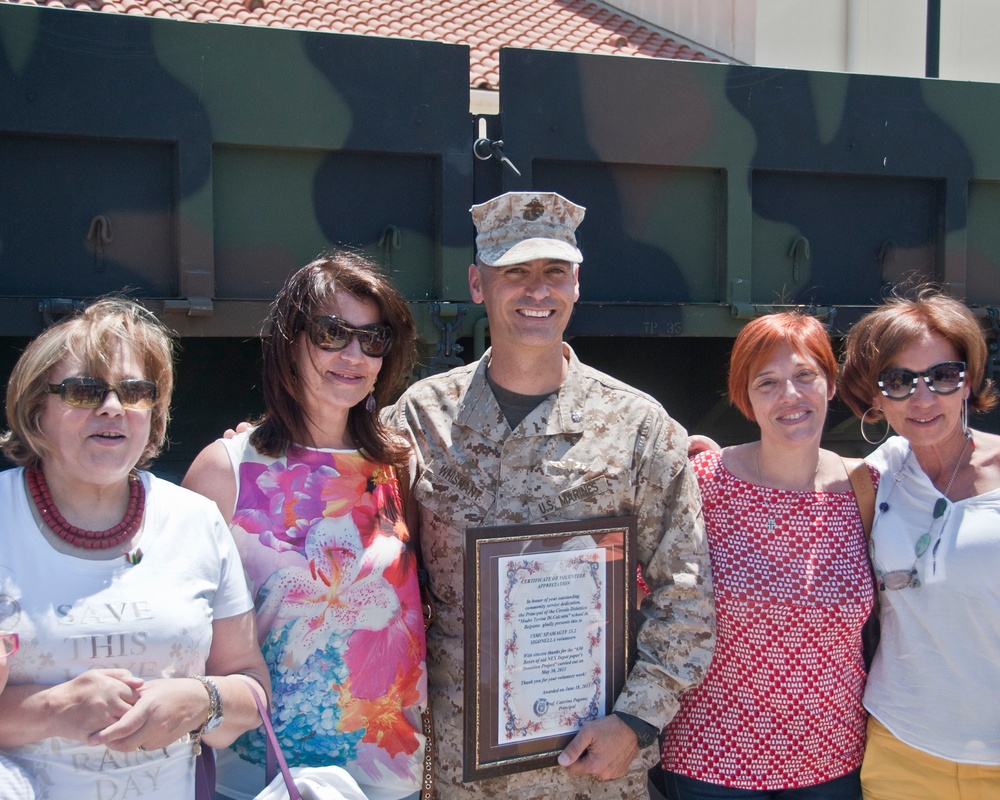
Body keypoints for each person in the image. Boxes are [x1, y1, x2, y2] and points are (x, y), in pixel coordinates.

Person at [385, 191, 716, 799]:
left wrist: (638, 720)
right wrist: (260, 447)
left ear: (577, 284)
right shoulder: (421, 417)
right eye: (515, 272)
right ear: (478, 285)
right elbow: (345, 501)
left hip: (591, 765)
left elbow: (686, 589)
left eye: (554, 272)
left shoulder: (638, 426)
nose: (537, 291)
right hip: (463, 766)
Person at [0, 297, 269, 800]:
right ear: (37, 412)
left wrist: (200, 700)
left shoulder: (195, 520)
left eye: (135, 391)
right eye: (83, 391)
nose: (112, 406)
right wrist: (54, 709)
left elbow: (251, 689)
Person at [182, 252, 428, 800]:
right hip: (256, 779)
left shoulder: (396, 466)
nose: (353, 354)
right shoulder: (227, 469)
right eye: (332, 333)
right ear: (290, 343)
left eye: (373, 339)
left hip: (386, 778)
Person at [656, 312, 874, 800]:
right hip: (711, 761)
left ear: (830, 384)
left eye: (804, 376)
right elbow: (648, 588)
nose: (790, 396)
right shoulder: (704, 481)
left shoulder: (864, 487)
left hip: (832, 762)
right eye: (768, 382)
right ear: (746, 398)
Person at [839, 290, 1000, 799]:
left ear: (968, 381)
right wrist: (710, 455)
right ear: (876, 396)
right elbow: (788, 476)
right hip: (900, 748)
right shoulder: (877, 476)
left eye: (943, 376)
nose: (924, 398)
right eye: (900, 381)